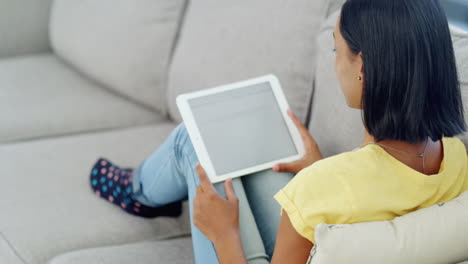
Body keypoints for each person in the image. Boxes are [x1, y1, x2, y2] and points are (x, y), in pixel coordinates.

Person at [89, 0, 468, 263]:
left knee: (194, 141)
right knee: (239, 152)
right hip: (331, 216)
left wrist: (223, 234)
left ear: (362, 68)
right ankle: (144, 190)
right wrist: (319, 165)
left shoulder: (319, 187)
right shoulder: (455, 158)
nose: (334, 63)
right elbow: (379, 193)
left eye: (336, 51)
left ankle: (139, 191)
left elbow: (343, 193)